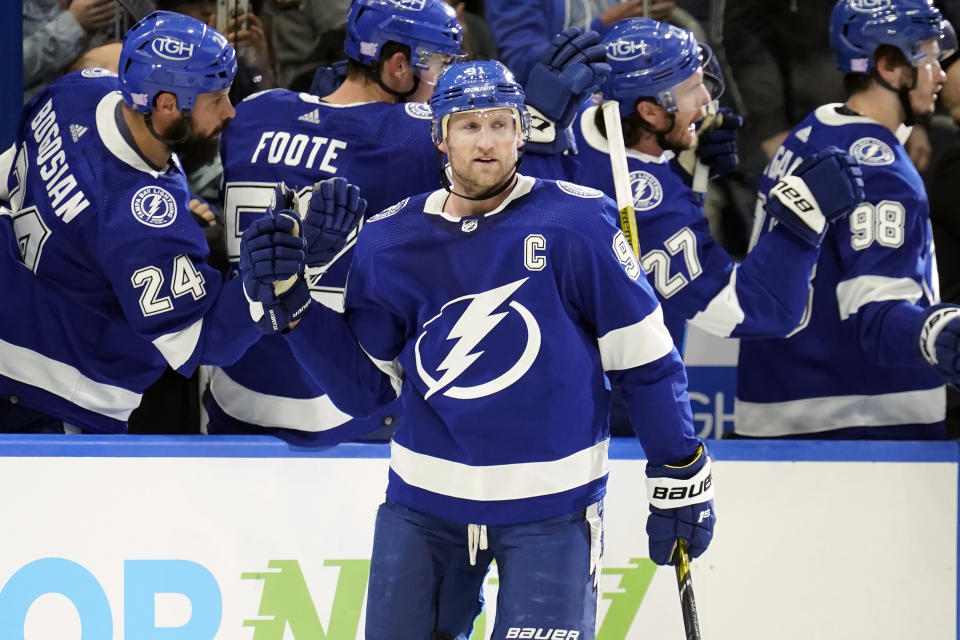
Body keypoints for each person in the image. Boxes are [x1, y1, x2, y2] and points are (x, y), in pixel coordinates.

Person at [245, 60, 716, 639]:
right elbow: (368, 392)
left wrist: (679, 472)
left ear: (522, 132)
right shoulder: (390, 239)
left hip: (552, 512)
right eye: (469, 126)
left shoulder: (579, 223)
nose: (487, 141)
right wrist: (295, 310)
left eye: (501, 124)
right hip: (423, 510)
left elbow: (646, 364)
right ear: (440, 137)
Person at [0, 11, 301, 434]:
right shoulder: (140, 227)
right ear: (165, 105)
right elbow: (202, 341)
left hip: (17, 323)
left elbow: (12, 171)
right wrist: (265, 284)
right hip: (59, 394)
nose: (230, 112)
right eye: (215, 99)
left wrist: (178, 199)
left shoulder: (78, 91)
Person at [205, 0, 465, 442]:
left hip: (238, 384)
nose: (442, 81)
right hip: (342, 401)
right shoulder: (415, 137)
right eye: (439, 64)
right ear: (399, 65)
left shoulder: (253, 112)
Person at [735, 0, 960, 439]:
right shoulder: (880, 168)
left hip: (782, 401)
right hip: (861, 420)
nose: (941, 75)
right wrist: (938, 333)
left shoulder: (811, 130)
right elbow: (874, 316)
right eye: (929, 58)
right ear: (890, 66)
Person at [568, 17, 865, 349]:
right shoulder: (656, 214)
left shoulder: (576, 117)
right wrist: (801, 220)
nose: (704, 102)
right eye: (691, 89)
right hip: (606, 384)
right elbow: (759, 307)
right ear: (650, 113)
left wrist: (688, 174)